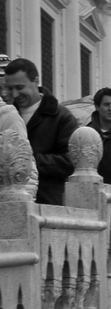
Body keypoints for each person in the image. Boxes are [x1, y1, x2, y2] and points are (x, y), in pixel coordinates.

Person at [3, 57, 76, 204]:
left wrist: (27, 160)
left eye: (19, 87)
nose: (14, 94)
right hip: (10, 203)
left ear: (36, 81)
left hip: (48, 205)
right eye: (10, 88)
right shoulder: (6, 115)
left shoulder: (62, 117)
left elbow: (70, 161)